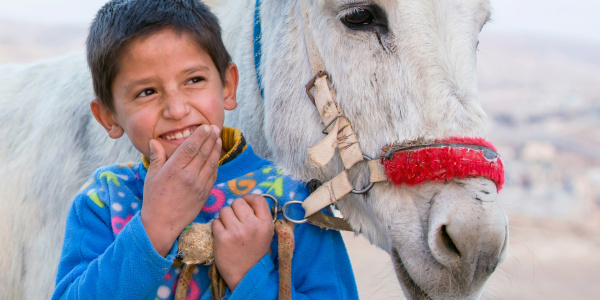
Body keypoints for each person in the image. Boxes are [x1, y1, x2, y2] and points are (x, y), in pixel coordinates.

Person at [52, 0, 358, 299]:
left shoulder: (290, 196)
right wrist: (154, 228)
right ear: (109, 116)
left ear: (227, 85)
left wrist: (251, 274)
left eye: (194, 80)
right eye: (147, 92)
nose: (176, 108)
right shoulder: (104, 199)